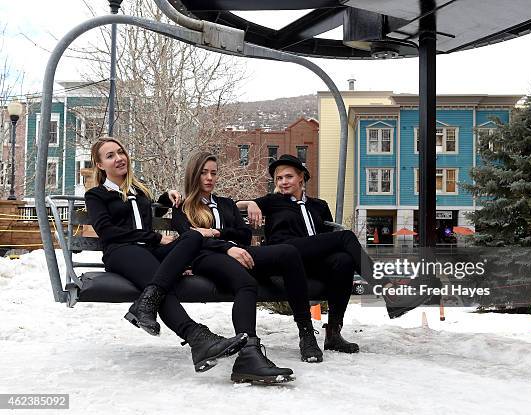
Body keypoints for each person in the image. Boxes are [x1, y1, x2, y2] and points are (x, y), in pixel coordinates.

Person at [84, 137, 247, 373]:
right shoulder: (97, 195)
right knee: (160, 281)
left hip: (149, 252)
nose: (119, 158)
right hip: (121, 252)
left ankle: (144, 305)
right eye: (110, 156)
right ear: (100, 165)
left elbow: (149, 212)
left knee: (193, 236)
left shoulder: (139, 191)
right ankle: (197, 337)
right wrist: (156, 238)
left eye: (121, 152)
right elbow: (107, 231)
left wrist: (165, 197)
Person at [160, 151, 323, 383]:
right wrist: (226, 247)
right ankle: (249, 353)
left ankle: (306, 332)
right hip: (206, 257)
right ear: (193, 175)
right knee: (246, 283)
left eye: (213, 173)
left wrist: (217, 233)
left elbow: (244, 234)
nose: (209, 178)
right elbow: (191, 238)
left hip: (239, 253)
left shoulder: (226, 204)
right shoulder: (184, 206)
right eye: (204, 173)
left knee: (288, 252)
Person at [236, 154, 378, 354]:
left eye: (288, 177)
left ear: (301, 177)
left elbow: (326, 240)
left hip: (312, 260)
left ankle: (334, 333)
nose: (283, 182)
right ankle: (386, 286)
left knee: (344, 260)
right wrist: (249, 203)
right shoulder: (272, 201)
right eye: (279, 178)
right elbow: (232, 206)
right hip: (284, 255)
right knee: (345, 237)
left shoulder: (319, 205)